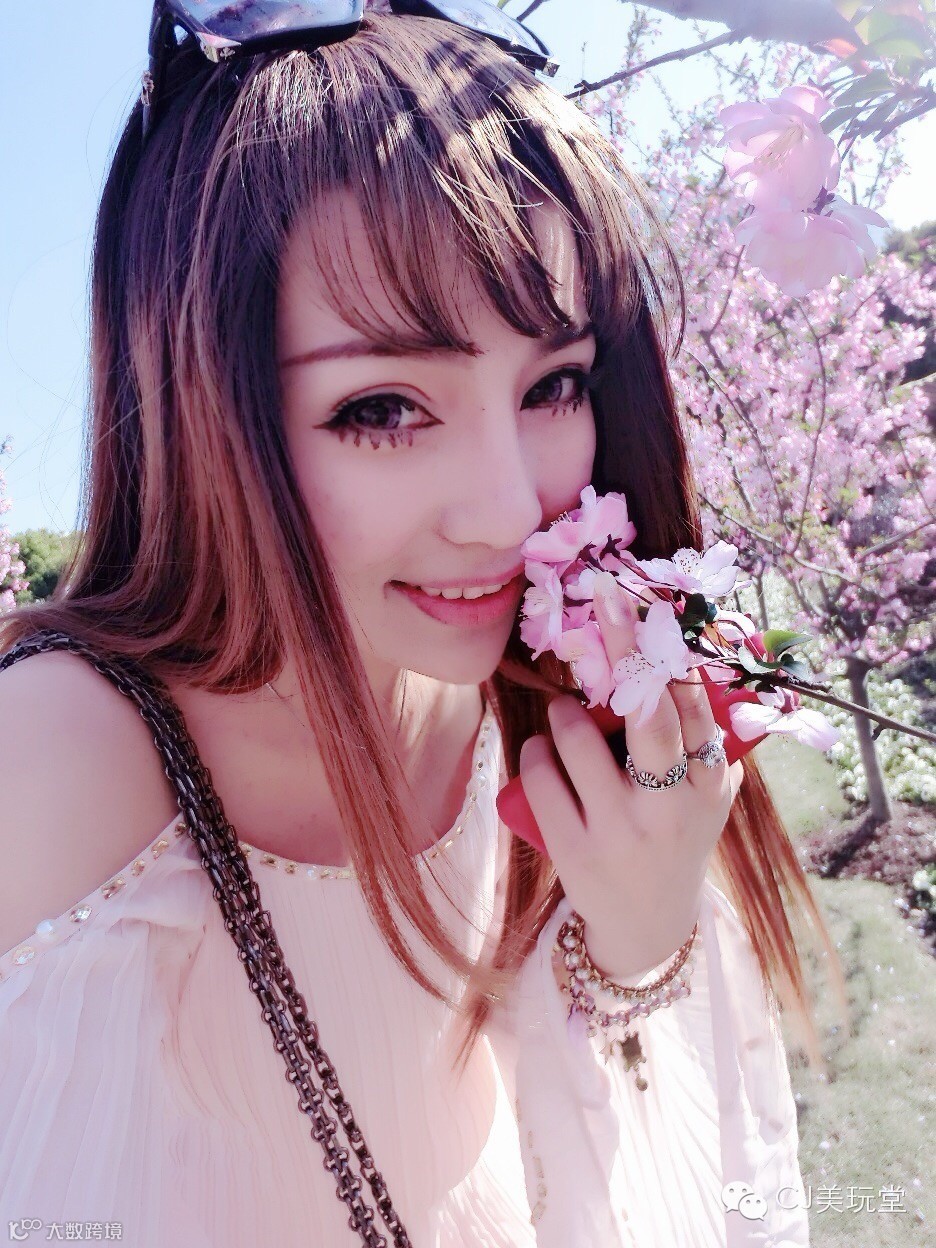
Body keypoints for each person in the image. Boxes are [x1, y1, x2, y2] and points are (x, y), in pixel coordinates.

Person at [0, 2, 842, 1243]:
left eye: (554, 385)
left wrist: (638, 938)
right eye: (383, 408)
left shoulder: (543, 685)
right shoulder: (56, 759)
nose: (509, 509)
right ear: (192, 402)